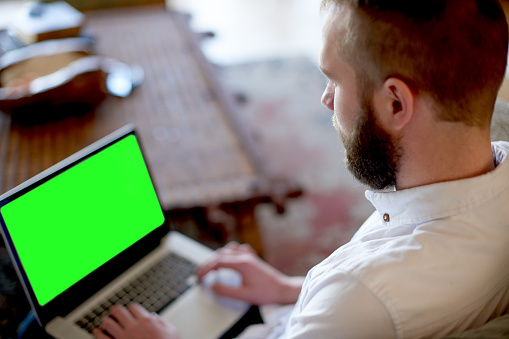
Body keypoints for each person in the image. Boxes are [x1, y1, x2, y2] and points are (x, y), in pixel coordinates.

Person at [93, 0, 509, 338]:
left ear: (395, 103)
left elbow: (364, 305)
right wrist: (291, 290)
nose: (327, 99)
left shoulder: (358, 298)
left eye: (334, 79)